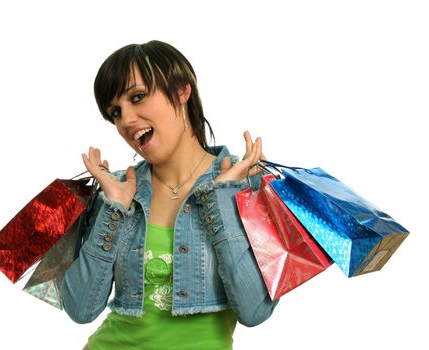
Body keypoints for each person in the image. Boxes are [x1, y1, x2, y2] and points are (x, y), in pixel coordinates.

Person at [61, 40, 279, 350]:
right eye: (115, 112)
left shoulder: (246, 185)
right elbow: (80, 310)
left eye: (137, 97)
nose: (126, 120)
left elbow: (255, 311)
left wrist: (223, 200)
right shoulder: (119, 193)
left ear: (181, 90)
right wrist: (114, 210)